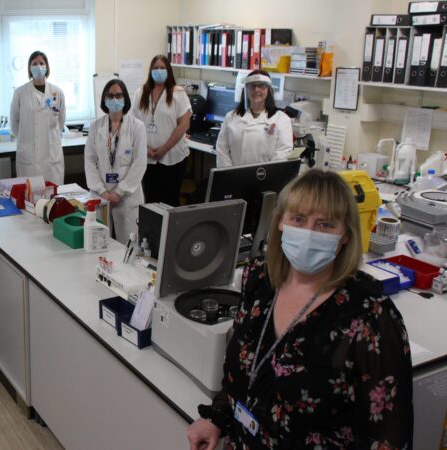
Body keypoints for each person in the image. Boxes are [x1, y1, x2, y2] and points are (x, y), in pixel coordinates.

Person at [187, 169, 413, 449]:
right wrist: (218, 417)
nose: (308, 233)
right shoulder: (260, 279)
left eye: (325, 225)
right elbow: (242, 373)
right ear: (281, 221)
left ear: (345, 236)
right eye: (299, 219)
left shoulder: (371, 315)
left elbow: (389, 436)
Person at [84, 79, 147, 244]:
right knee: (100, 245)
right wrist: (102, 191)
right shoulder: (95, 127)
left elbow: (139, 163)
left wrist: (119, 192)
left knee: (128, 246)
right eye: (110, 96)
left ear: (125, 98)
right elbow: (89, 161)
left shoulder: (137, 127)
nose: (114, 99)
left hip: (127, 197)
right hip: (101, 195)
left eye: (118, 95)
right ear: (104, 100)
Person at [133, 54, 191, 207]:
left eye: (162, 68)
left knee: (170, 199)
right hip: (148, 157)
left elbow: (184, 125)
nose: (159, 71)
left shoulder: (178, 93)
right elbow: (133, 124)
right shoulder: (141, 93)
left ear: (168, 71)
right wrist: (145, 148)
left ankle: (171, 231)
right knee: (151, 199)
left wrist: (164, 149)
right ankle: (154, 231)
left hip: (173, 157)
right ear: (150, 71)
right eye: (155, 68)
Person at [215, 70, 293, 167]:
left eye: (261, 85)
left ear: (268, 90)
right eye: (252, 86)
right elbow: (222, 149)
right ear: (246, 90)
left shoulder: (281, 119)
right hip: (235, 177)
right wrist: (229, 173)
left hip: (266, 179)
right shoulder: (230, 117)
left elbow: (283, 153)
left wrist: (266, 175)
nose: (257, 89)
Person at [10, 50, 66, 184]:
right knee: (30, 197)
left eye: (42, 63)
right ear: (29, 68)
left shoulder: (57, 92)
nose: (38, 66)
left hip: (51, 155)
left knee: (53, 196)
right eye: (34, 63)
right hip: (30, 158)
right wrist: (26, 138)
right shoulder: (20, 93)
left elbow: (61, 121)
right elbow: (14, 122)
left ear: (47, 67)